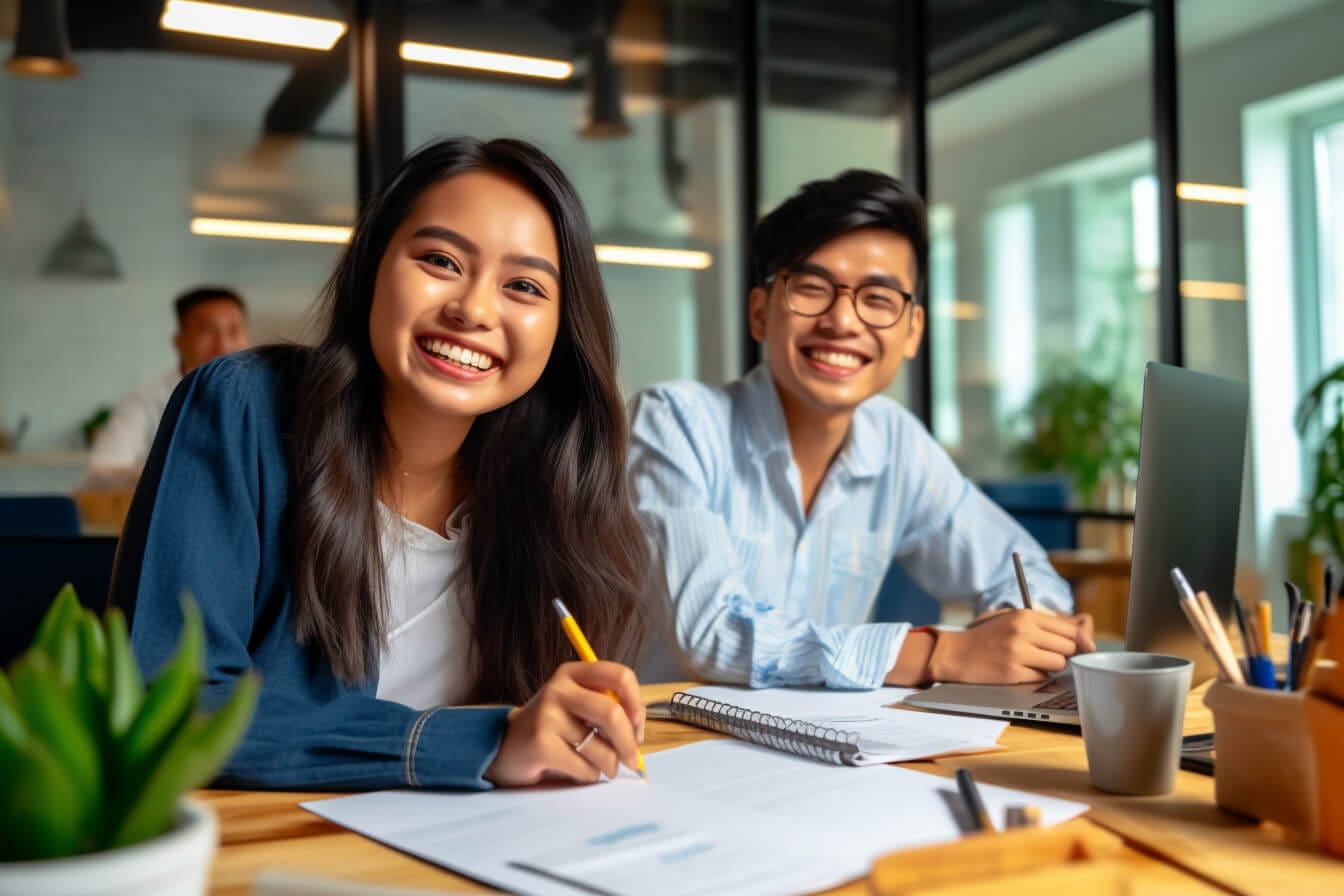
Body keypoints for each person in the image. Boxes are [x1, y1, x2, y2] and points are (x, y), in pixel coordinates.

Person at [111, 137, 649, 790]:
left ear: (560, 330)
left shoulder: (553, 486)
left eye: (524, 286)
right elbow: (170, 703)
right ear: (373, 266)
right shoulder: (242, 407)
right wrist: (479, 742)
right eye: (441, 260)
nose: (473, 310)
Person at [628, 170, 1095, 690]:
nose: (843, 321)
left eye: (878, 298)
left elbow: (1022, 568)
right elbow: (710, 637)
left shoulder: (896, 441)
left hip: (835, 750)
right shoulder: (676, 422)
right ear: (760, 314)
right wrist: (943, 652)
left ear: (913, 331)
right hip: (666, 749)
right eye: (812, 289)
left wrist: (1027, 633)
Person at [80, 287, 250, 489]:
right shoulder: (145, 401)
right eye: (207, 331)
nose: (223, 344)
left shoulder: (264, 398)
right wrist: (182, 477)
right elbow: (100, 474)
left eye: (233, 330)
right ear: (179, 341)